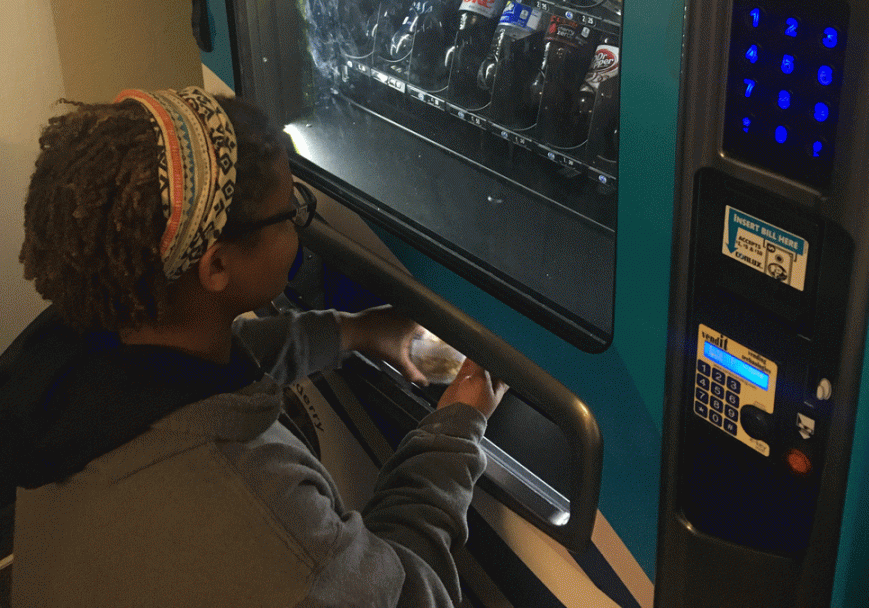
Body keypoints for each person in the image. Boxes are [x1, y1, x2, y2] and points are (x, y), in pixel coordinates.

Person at [0, 86, 507, 607]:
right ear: (216, 265)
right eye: (289, 212)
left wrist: (353, 330)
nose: (297, 225)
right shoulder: (265, 520)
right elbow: (410, 594)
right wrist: (454, 431)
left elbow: (207, 365)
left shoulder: (68, 352)